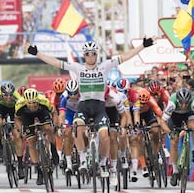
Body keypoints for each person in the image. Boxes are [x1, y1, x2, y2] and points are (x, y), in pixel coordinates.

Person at [27, 37, 156, 176]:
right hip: (84, 107)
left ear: (97, 54)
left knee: (105, 135)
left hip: (100, 107)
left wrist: (142, 45)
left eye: (93, 53)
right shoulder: (78, 68)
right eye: (88, 54)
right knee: (76, 128)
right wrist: (37, 53)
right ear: (84, 55)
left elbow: (125, 57)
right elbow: (57, 63)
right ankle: (82, 159)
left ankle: (103, 164)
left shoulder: (104, 66)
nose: (91, 56)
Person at [160, 88, 194, 186]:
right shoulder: (172, 104)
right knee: (174, 141)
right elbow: (162, 122)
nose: (184, 106)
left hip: (189, 115)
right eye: (181, 103)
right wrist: (170, 133)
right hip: (174, 116)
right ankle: (175, 171)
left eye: (186, 103)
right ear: (178, 101)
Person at [14, 88, 54, 185]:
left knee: (48, 128)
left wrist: (54, 125)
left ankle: (53, 148)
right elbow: (17, 119)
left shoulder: (44, 101)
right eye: (29, 103)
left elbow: (54, 113)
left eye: (34, 103)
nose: (32, 105)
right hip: (27, 117)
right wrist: (21, 129)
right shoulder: (19, 104)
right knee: (31, 142)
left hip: (42, 113)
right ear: (25, 102)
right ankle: (39, 169)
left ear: (38, 100)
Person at [0, 82, 25, 179]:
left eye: (10, 95)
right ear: (1, 93)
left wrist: (22, 128)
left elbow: (22, 115)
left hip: (14, 110)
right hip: (1, 109)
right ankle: (0, 143)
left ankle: (20, 165)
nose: (8, 97)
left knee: (17, 135)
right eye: (5, 95)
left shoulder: (17, 98)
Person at [58, 79, 80, 174]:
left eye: (75, 93)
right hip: (69, 113)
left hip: (80, 112)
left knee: (82, 131)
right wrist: (61, 126)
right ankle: (69, 164)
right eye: (70, 94)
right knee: (67, 134)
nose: (73, 96)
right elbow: (62, 114)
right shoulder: (64, 97)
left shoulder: (83, 96)